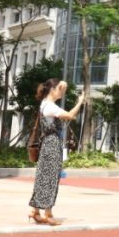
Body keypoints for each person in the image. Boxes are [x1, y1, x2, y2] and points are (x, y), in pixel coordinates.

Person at [28, 79, 82, 225]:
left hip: (47, 144)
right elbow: (70, 115)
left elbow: (67, 114)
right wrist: (80, 101)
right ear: (52, 89)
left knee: (43, 178)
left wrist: (63, 85)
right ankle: (48, 214)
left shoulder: (45, 104)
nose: (62, 92)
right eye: (59, 89)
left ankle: (35, 211)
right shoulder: (50, 106)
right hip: (52, 144)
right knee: (51, 179)